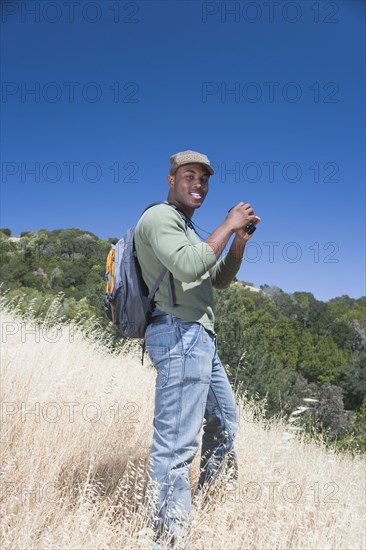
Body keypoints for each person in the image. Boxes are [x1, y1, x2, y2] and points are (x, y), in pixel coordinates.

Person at [134, 150, 260, 546]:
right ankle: (166, 538)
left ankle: (206, 502)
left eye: (204, 179)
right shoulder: (159, 218)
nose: (198, 184)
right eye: (189, 176)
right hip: (178, 334)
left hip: (199, 337)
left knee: (224, 422)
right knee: (176, 445)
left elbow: (217, 280)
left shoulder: (189, 230)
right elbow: (190, 267)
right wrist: (228, 222)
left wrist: (237, 240)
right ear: (171, 180)